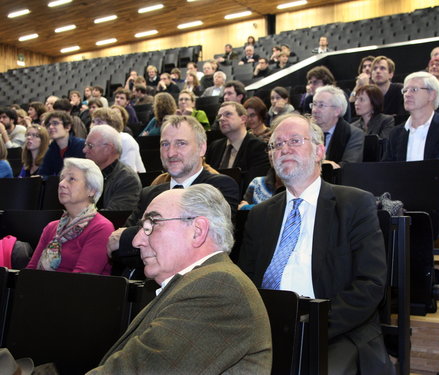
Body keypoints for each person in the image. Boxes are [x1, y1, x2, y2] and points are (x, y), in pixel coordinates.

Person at [239, 113, 394, 375]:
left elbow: (370, 284)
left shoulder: (355, 205)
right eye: (277, 145)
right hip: (269, 329)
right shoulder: (259, 215)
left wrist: (311, 326)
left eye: (295, 141)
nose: (284, 149)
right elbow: (247, 282)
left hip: (336, 330)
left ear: (319, 151)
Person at [87, 184, 272, 374]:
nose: (136, 241)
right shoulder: (197, 284)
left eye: (152, 225)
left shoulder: (217, 287)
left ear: (197, 231)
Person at [107, 115, 240, 278]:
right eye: (165, 144)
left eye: (181, 143)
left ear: (202, 148)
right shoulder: (150, 193)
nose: (171, 153)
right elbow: (120, 253)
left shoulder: (219, 187)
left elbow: (201, 247)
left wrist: (128, 236)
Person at [383, 71, 439, 241]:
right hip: (402, 200)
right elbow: (387, 169)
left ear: (432, 94)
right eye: (405, 90)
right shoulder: (396, 133)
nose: (407, 94)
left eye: (414, 90)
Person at [27, 158, 114, 275]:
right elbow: (29, 272)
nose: (61, 184)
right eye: (62, 178)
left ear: (92, 190)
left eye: (71, 179)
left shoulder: (101, 228)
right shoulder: (51, 228)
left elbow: (80, 281)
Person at [206, 102, 269, 180]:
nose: (221, 119)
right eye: (219, 116)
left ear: (243, 119)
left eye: (228, 114)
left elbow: (253, 184)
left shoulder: (258, 148)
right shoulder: (214, 147)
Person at [84, 125, 141, 211]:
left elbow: (114, 216)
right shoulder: (86, 173)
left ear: (108, 148)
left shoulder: (127, 179)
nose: (84, 150)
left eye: (90, 146)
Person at [311, 85, 364, 168]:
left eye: (321, 105)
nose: (314, 110)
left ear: (337, 111)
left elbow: (349, 167)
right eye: (314, 104)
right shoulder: (306, 132)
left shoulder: (353, 134)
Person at [91, 108, 146, 173]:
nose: (94, 126)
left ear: (111, 124)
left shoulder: (125, 139)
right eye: (93, 122)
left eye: (99, 122)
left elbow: (128, 172)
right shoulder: (96, 142)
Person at [38, 111, 85, 176]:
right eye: (48, 124)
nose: (51, 127)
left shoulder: (81, 146)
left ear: (68, 127)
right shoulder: (51, 149)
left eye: (55, 123)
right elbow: (43, 173)